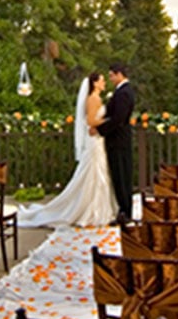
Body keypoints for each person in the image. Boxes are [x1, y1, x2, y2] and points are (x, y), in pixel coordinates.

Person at [17, 72, 118, 228]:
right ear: (95, 83)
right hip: (95, 141)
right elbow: (91, 121)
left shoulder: (96, 98)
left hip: (98, 140)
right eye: (102, 80)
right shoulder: (93, 99)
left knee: (99, 173)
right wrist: (109, 121)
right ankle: (91, 209)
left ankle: (97, 206)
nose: (105, 83)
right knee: (94, 172)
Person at [96, 62, 135, 219]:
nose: (110, 79)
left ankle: (125, 211)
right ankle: (124, 208)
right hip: (118, 140)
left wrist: (100, 130)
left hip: (118, 141)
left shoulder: (123, 93)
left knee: (121, 175)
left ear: (120, 74)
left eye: (111, 75)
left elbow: (118, 119)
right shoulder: (122, 91)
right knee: (120, 175)